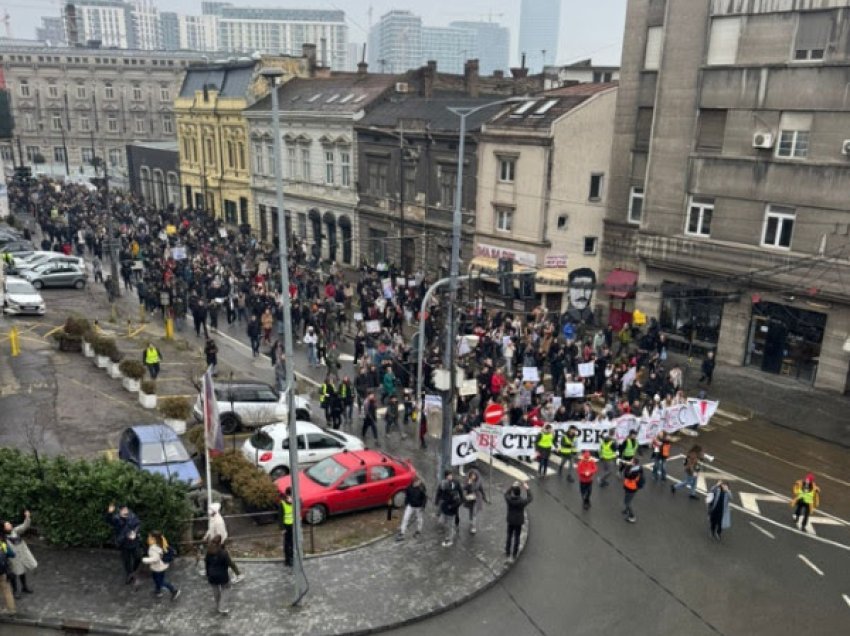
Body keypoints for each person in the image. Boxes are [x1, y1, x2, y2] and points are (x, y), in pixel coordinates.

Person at [105, 503, 142, 584]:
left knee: (138, 557)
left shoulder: (132, 515)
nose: (126, 511)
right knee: (126, 561)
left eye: (126, 509)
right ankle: (129, 574)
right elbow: (108, 520)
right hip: (124, 543)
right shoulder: (116, 519)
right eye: (123, 510)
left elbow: (138, 524)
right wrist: (109, 513)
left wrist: (135, 532)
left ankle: (134, 571)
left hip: (134, 542)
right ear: (120, 511)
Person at [3, 510, 37, 598]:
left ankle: (24, 587)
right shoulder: (3, 538)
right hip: (12, 558)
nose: (10, 525)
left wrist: (27, 517)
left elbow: (24, 526)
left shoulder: (15, 531)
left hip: (22, 555)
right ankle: (15, 591)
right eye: (7, 525)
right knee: (13, 574)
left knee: (22, 571)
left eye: (9, 524)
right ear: (3, 528)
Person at [141, 531, 181, 600]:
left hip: (158, 568)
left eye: (149, 538)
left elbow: (155, 558)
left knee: (160, 581)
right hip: (161, 566)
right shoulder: (160, 544)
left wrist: (145, 560)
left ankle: (174, 591)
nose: (147, 539)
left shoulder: (153, 548)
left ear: (154, 539)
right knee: (157, 579)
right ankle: (158, 591)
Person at [204, 536, 238, 615]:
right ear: (220, 543)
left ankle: (218, 605)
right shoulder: (223, 553)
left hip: (212, 575)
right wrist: (237, 572)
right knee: (226, 588)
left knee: (215, 590)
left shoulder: (208, 552)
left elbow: (206, 564)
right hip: (222, 575)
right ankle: (222, 607)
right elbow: (231, 564)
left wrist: (207, 574)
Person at [504, 481, 532, 561]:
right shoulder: (522, 502)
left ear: (513, 492)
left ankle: (507, 551)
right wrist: (527, 488)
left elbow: (506, 494)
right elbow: (530, 498)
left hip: (510, 520)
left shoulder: (509, 499)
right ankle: (514, 553)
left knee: (509, 536)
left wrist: (512, 486)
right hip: (518, 522)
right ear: (519, 493)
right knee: (517, 537)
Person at [435, 469, 463, 547]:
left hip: (451, 510)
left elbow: (459, 499)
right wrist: (437, 501)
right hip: (445, 509)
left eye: (451, 475)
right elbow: (439, 492)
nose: (450, 477)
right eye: (448, 475)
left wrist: (453, 505)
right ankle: (450, 532)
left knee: (450, 525)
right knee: (441, 522)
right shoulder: (443, 487)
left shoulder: (454, 492)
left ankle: (450, 539)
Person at [396, 476, 427, 541]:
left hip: (419, 507)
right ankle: (402, 532)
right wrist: (406, 504)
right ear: (414, 482)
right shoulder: (409, 488)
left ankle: (418, 530)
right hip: (410, 506)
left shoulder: (422, 488)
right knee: (405, 518)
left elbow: (424, 498)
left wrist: (423, 506)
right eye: (417, 482)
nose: (419, 483)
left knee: (419, 519)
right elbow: (407, 496)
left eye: (419, 482)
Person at [462, 468, 489, 534]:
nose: (473, 477)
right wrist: (468, 484)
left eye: (474, 475)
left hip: (477, 498)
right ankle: (471, 522)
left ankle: (473, 526)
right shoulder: (467, 480)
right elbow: (463, 488)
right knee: (471, 511)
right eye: (472, 475)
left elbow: (481, 490)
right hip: (470, 498)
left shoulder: (478, 481)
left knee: (474, 512)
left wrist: (485, 498)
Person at [622, 456, 645, 523]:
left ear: (634, 463)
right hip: (629, 486)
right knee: (627, 499)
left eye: (631, 461)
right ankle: (626, 510)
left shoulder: (634, 471)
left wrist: (627, 466)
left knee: (627, 502)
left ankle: (632, 517)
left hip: (631, 488)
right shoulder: (637, 468)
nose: (630, 461)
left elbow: (626, 475)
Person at [0, 531, 16, 616]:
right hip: (3, 573)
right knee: (7, 591)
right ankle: (11, 610)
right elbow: (13, 554)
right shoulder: (3, 545)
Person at [281, 487, 294, 568]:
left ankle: (292, 557)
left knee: (293, 543)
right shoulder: (282, 503)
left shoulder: (295, 502)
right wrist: (282, 528)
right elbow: (280, 516)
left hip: (293, 526)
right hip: (286, 526)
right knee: (287, 543)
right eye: (290, 496)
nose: (291, 498)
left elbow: (301, 505)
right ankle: (287, 560)